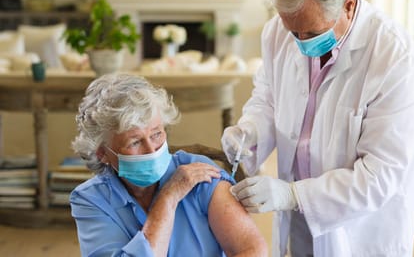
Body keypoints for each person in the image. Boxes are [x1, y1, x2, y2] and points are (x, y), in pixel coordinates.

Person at [221, 0, 414, 256]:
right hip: (298, 213)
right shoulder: (278, 32)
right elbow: (268, 98)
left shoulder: (394, 56)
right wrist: (249, 132)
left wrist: (293, 195)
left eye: (312, 32)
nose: (301, 43)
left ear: (348, 5)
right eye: (294, 33)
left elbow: (379, 175)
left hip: (357, 228)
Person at [70, 73, 267, 257]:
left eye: (156, 134)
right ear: (103, 153)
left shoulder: (199, 174)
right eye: (135, 142)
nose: (152, 149)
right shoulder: (90, 200)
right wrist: (168, 198)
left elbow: (252, 250)